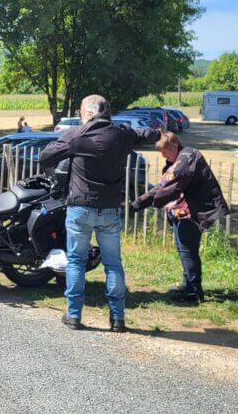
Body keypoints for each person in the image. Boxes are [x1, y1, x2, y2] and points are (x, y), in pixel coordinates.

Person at [40, 95, 160, 333]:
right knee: (113, 265)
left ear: (87, 113)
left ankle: (73, 315)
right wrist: (159, 131)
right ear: (108, 112)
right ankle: (118, 319)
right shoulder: (122, 134)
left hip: (80, 207)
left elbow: (46, 156)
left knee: (76, 261)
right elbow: (147, 135)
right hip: (109, 210)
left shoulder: (77, 135)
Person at [131, 132, 229, 303]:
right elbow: (162, 186)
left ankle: (194, 292)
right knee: (183, 249)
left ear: (174, 146)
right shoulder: (179, 159)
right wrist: (138, 204)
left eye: (164, 151)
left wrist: (143, 203)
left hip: (192, 212)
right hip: (182, 211)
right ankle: (188, 285)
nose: (163, 156)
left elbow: (169, 189)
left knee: (187, 251)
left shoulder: (187, 158)